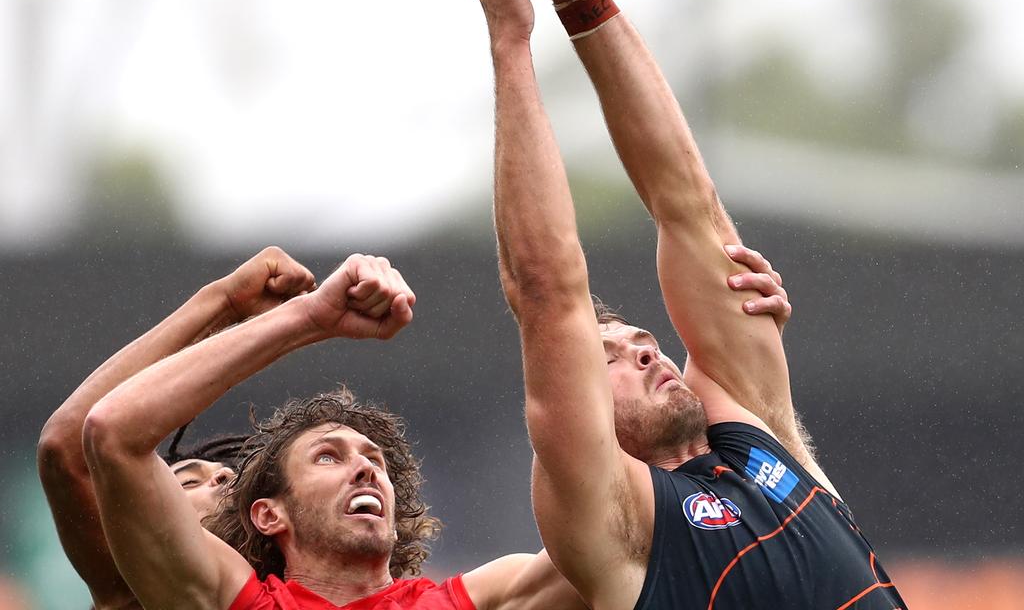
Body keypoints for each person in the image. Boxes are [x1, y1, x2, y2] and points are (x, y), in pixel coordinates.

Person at [460, 0, 906, 610]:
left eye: (642, 340)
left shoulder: (765, 434)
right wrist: (511, 41)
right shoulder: (616, 530)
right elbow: (546, 290)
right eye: (609, 357)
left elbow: (687, 207)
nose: (646, 350)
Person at [80, 246, 791, 610]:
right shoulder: (226, 598)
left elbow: (653, 522)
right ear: (268, 514)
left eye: (375, 461)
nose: (367, 469)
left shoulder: (485, 599)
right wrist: (306, 320)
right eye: (329, 457)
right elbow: (106, 434)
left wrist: (744, 348)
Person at [37, 246, 316, 610]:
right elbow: (68, 449)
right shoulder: (136, 594)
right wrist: (224, 303)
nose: (221, 480)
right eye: (187, 482)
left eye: (232, 479)